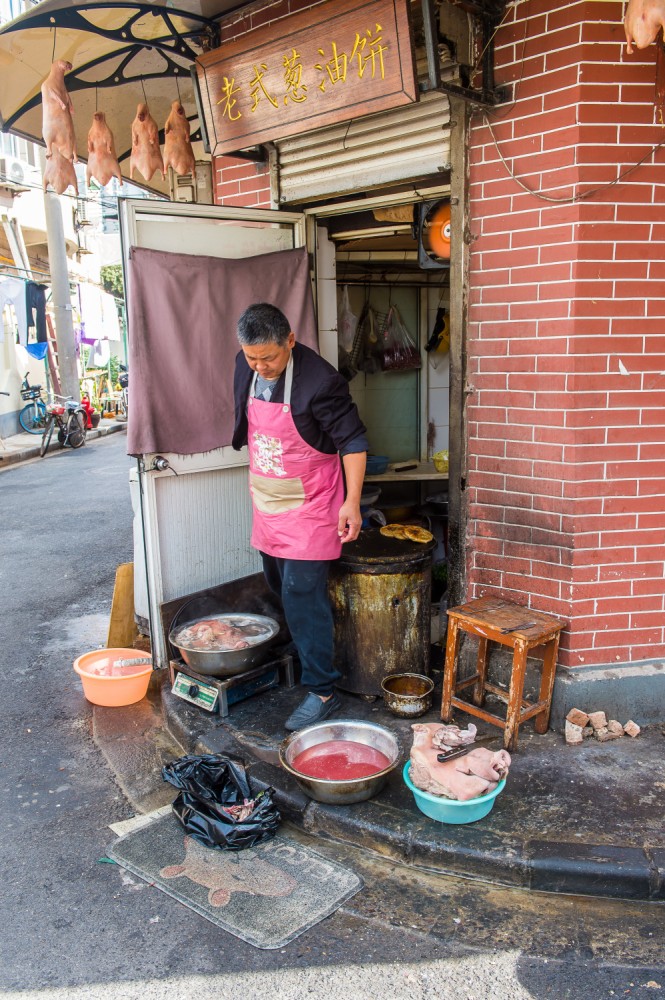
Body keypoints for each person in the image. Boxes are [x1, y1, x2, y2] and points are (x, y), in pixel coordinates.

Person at [232, 302, 368, 731]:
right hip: (270, 502)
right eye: (253, 358)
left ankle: (322, 689)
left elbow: (354, 441)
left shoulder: (321, 382)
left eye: (268, 357)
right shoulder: (247, 363)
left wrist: (352, 502)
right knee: (277, 583)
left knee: (300, 591)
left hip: (313, 504)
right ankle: (309, 654)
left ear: (290, 340)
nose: (260, 366)